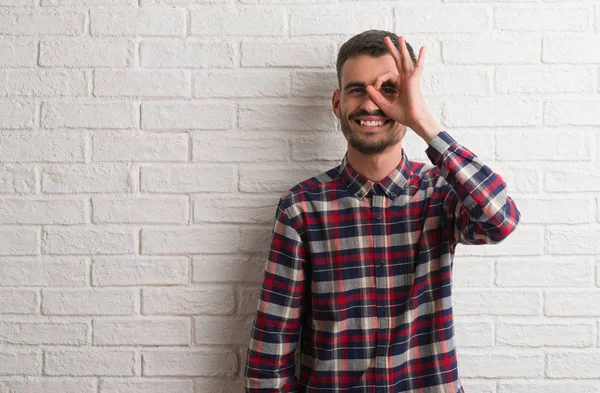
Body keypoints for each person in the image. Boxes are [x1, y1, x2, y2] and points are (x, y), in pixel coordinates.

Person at [244, 29, 521, 393]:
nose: (372, 104)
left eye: (387, 90)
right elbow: (270, 357)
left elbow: (501, 220)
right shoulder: (301, 208)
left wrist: (422, 121)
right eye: (357, 89)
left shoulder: (441, 192)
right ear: (336, 103)